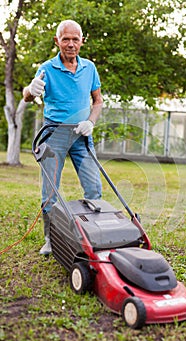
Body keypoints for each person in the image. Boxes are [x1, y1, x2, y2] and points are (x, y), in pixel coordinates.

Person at [23, 20, 103, 255]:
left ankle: (90, 235)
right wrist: (31, 88)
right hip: (54, 133)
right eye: (65, 39)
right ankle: (51, 239)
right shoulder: (47, 68)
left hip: (81, 133)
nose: (70, 44)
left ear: (81, 41)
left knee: (94, 188)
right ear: (57, 41)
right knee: (50, 193)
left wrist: (91, 121)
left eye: (75, 39)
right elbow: (27, 95)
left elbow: (97, 101)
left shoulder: (90, 68)